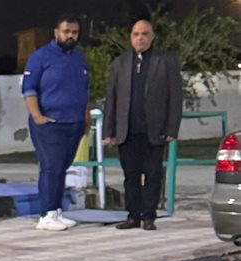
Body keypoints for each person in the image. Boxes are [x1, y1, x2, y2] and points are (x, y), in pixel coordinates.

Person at [102, 19, 183, 229]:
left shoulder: (165, 61)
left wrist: (171, 128)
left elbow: (175, 97)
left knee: (153, 175)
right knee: (131, 176)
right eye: (136, 34)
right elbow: (111, 99)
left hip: (154, 131)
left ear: (152, 37)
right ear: (131, 37)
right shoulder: (120, 64)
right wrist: (107, 132)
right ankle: (133, 216)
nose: (140, 38)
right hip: (127, 131)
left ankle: (148, 217)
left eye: (145, 34)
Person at [21, 17, 90, 231]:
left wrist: (85, 117)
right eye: (66, 31)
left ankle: (57, 210)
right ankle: (46, 214)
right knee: (51, 167)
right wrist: (38, 117)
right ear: (56, 32)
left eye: (74, 32)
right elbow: (29, 89)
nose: (70, 36)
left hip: (74, 123)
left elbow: (84, 90)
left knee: (62, 167)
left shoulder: (79, 57)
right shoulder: (40, 57)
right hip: (50, 123)